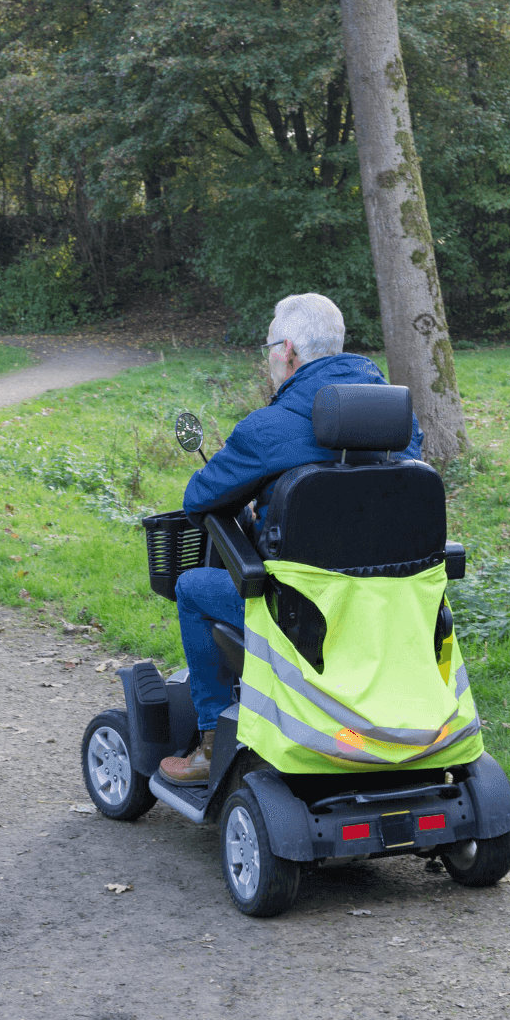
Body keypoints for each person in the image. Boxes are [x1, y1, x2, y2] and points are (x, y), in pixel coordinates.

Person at [159, 292, 423, 783]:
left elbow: (199, 499)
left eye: (267, 349)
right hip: (394, 616)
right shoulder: (401, 424)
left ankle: (213, 736)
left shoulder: (267, 429)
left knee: (193, 588)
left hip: (304, 621)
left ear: (287, 350)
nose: (268, 359)